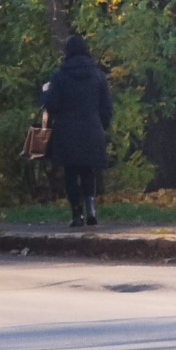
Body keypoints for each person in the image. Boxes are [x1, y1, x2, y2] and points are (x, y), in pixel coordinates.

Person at [43, 34, 112, 227]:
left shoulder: (59, 76)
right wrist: (101, 125)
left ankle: (76, 214)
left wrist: (44, 93)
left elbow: (52, 104)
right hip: (92, 127)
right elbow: (106, 106)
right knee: (88, 171)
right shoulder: (98, 75)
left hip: (67, 131)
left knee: (71, 173)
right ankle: (91, 209)